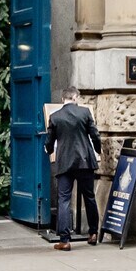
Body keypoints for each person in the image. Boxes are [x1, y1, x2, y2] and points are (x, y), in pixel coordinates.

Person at [44, 88, 101, 250]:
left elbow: (49, 141)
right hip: (85, 161)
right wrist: (98, 150)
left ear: (63, 99)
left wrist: (48, 150)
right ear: (75, 97)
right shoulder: (85, 113)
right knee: (89, 197)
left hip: (65, 163)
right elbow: (95, 135)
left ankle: (64, 240)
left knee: (64, 199)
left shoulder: (55, 117)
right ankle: (93, 233)